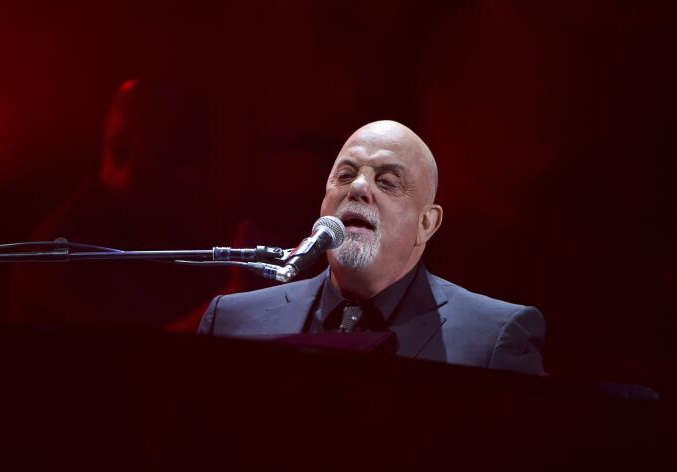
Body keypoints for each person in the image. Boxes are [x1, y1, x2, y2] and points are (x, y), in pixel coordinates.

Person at [198, 120, 545, 374]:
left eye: (387, 182)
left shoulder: (493, 336)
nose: (358, 189)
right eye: (346, 176)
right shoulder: (231, 322)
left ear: (426, 224)